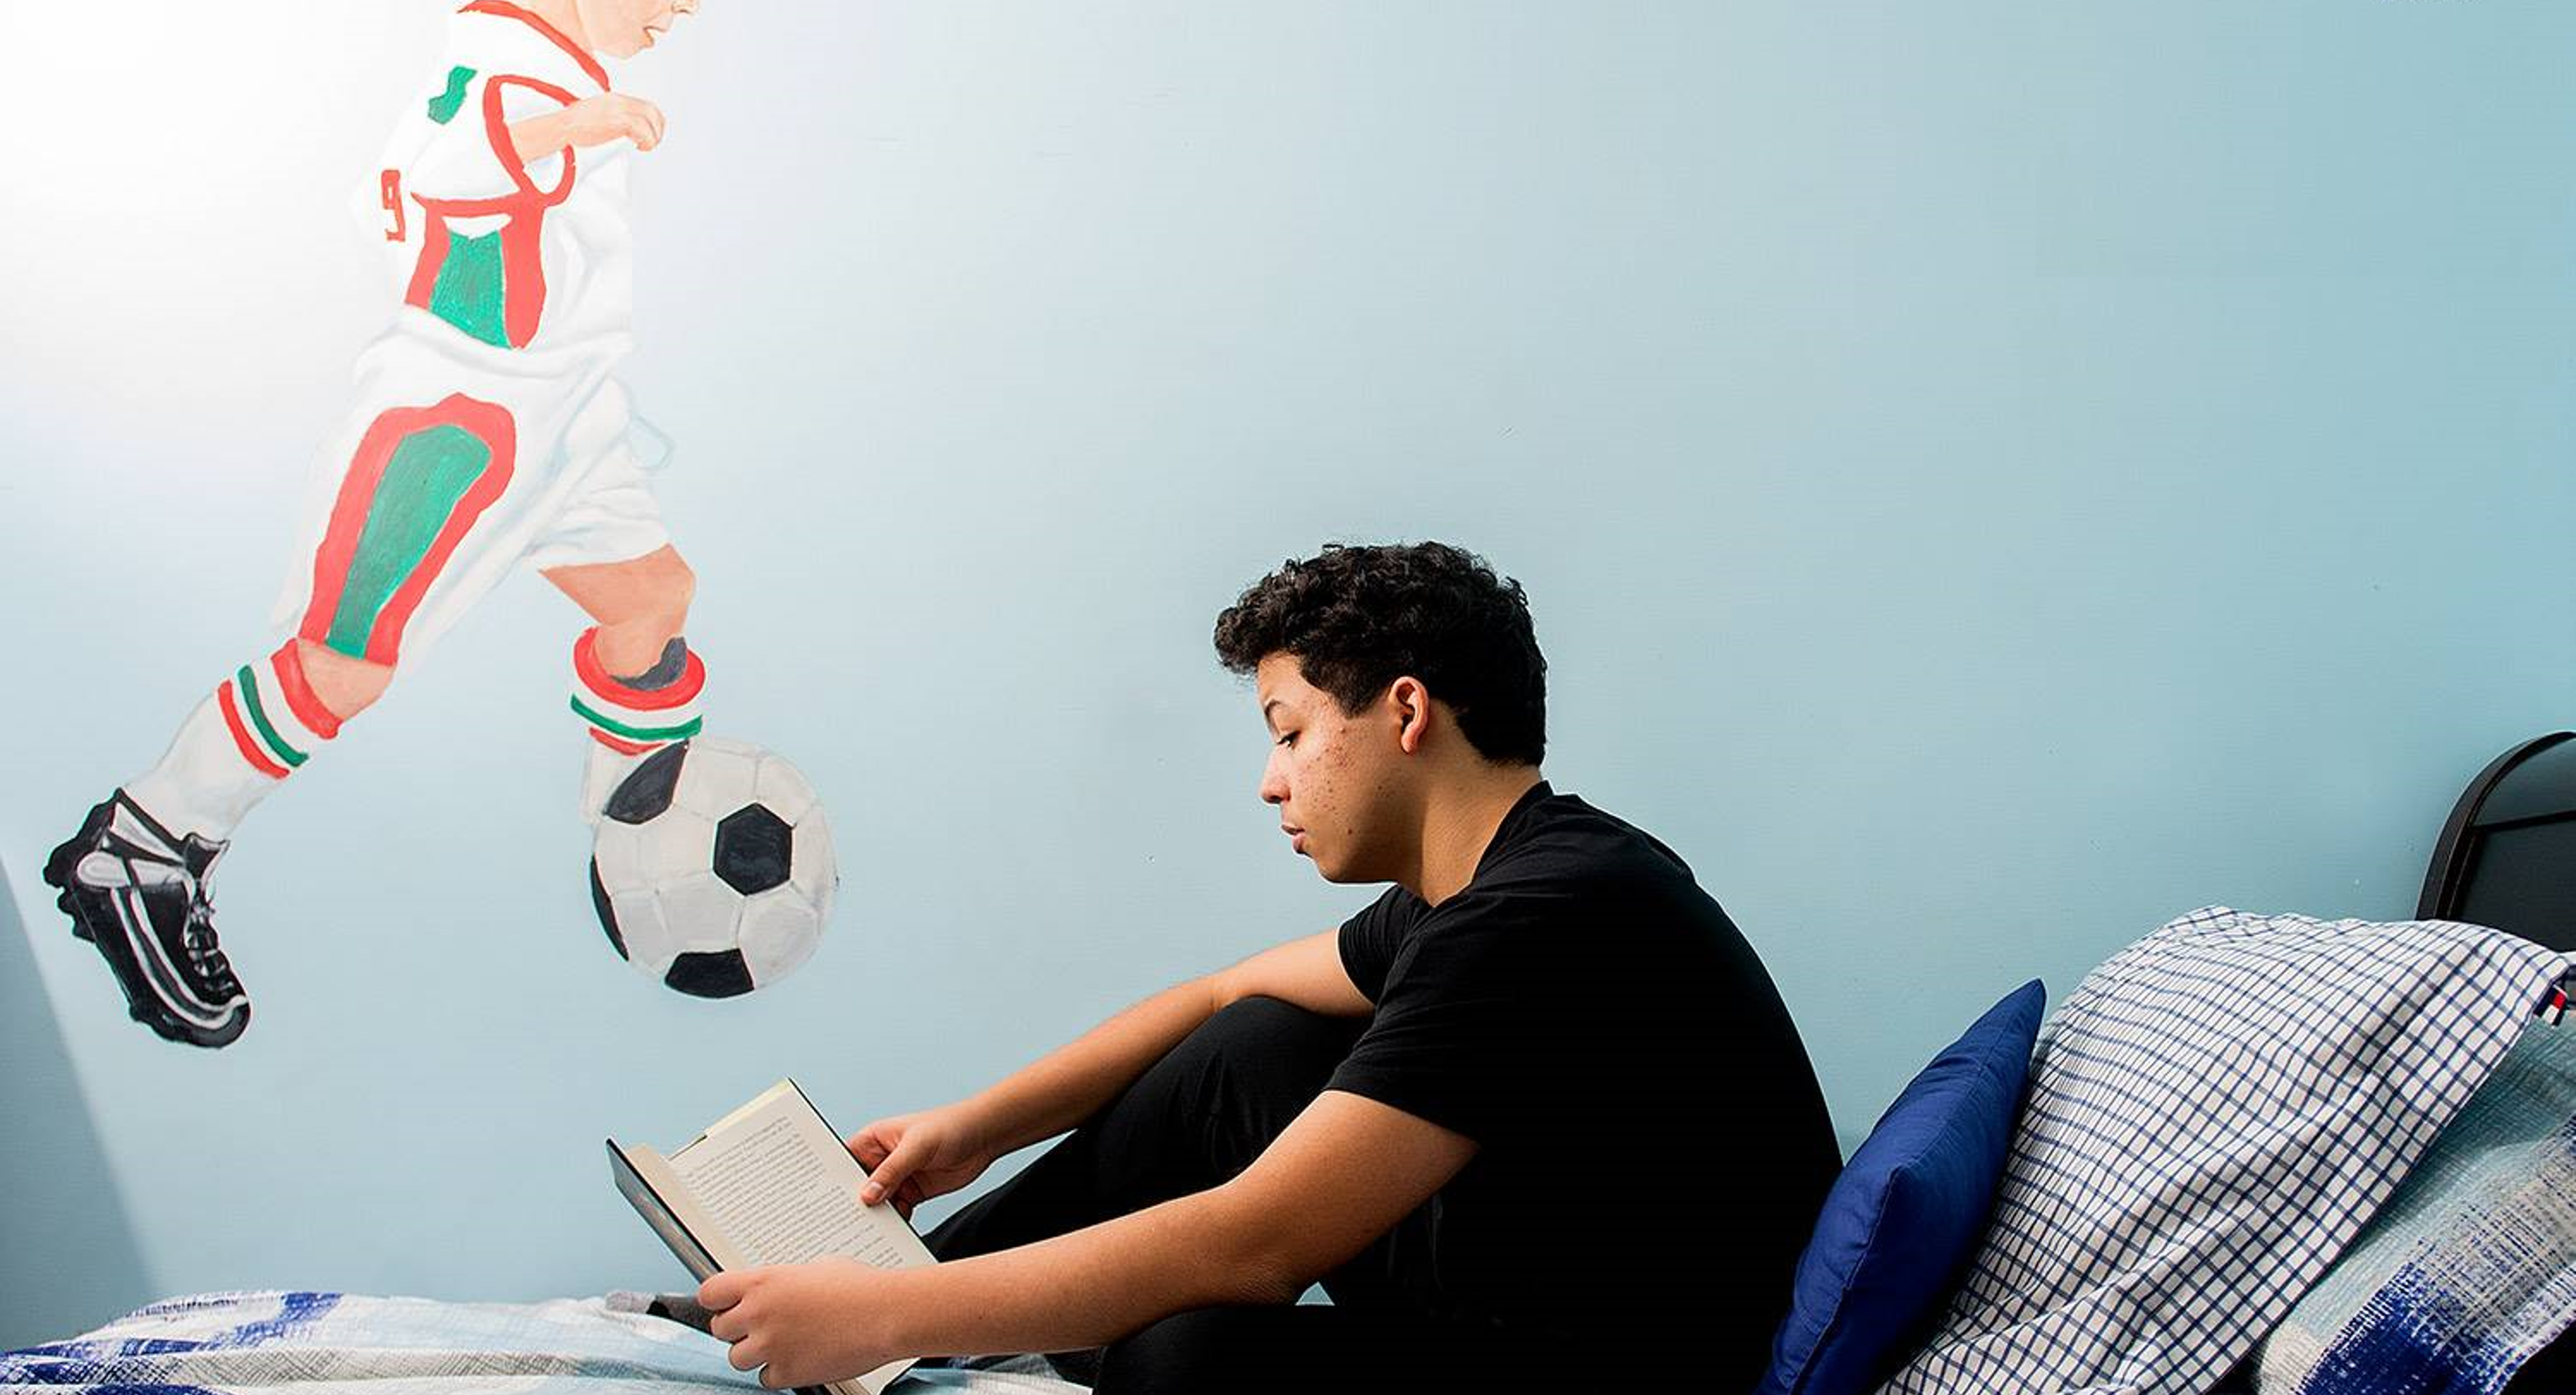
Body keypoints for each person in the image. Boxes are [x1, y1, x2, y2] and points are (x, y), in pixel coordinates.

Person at [695, 541, 1843, 1394]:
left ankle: (874, 1327)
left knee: (1188, 1355)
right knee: (1251, 1045)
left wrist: (892, 1315)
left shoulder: (1535, 918)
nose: (1269, 778)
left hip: (1636, 1374)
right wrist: (978, 1124)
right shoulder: (1503, 884)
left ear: (1405, 712)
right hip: (1535, 1299)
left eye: (1289, 730)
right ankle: (863, 1311)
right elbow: (1223, 993)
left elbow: (1256, 1242)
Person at [45, 0, 711, 1048]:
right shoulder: (508, 60)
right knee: (344, 663)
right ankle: (144, 846)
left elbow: (406, 202)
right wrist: (570, 130)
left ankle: (638, 834)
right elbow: (434, 175)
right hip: (464, 413)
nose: (686, 8)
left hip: (566, 410)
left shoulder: (545, 59)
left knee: (652, 596)